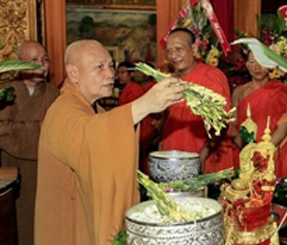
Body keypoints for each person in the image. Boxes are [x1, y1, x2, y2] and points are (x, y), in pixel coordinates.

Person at [34, 40, 186, 245]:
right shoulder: (62, 111)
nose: (110, 73)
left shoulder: (93, 110)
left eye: (111, 65)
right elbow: (91, 135)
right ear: (74, 73)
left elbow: (103, 131)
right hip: (69, 229)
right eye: (99, 67)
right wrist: (144, 104)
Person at [0, 40, 59, 245]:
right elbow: (2, 129)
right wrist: (40, 127)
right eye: (34, 60)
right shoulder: (6, 92)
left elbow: (61, 130)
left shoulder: (54, 94)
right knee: (18, 223)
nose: (41, 65)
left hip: (46, 171)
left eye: (44, 60)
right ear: (19, 63)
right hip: (13, 169)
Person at [160, 28, 233, 173]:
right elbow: (166, 116)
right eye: (169, 51)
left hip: (202, 155)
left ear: (193, 49)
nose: (174, 56)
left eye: (179, 49)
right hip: (172, 156)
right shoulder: (170, 80)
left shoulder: (211, 76)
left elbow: (222, 120)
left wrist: (204, 153)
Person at [231, 51, 287, 179]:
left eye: (261, 62)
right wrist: (247, 152)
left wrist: (263, 152)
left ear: (270, 65)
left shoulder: (282, 91)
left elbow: (284, 126)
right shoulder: (239, 92)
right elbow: (233, 125)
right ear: (247, 65)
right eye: (252, 62)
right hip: (245, 153)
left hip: (272, 152)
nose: (257, 67)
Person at [118, 61, 158, 174]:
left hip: (141, 129)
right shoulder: (131, 87)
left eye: (123, 72)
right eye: (118, 73)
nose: (119, 76)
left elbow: (136, 112)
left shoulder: (134, 88)